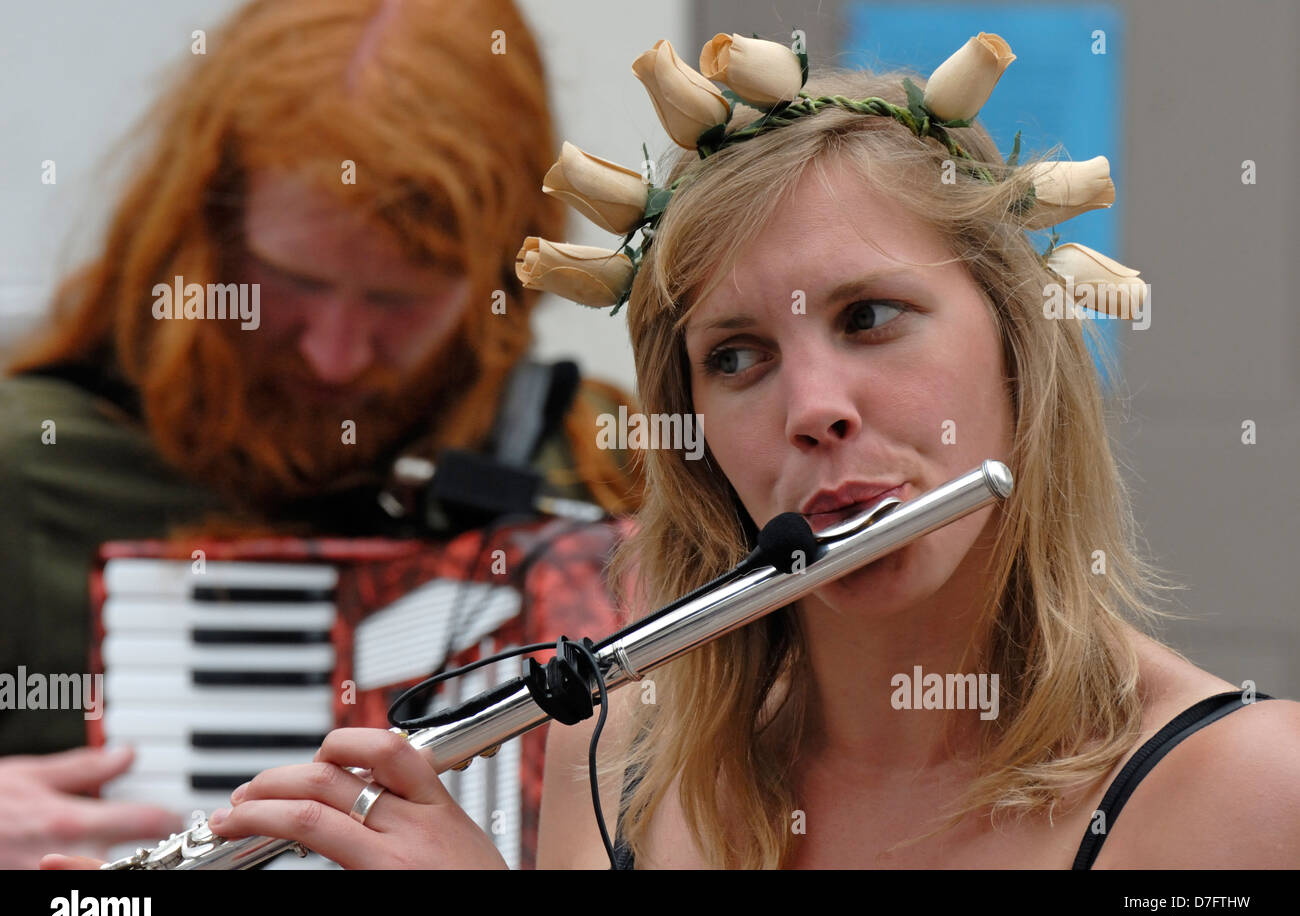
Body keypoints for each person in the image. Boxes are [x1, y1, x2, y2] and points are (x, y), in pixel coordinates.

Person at [44, 29, 1300, 871]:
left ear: (1020, 358)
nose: (813, 406)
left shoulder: (1240, 794)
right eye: (738, 356)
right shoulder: (618, 758)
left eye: (871, 319)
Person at [4, 0, 642, 870]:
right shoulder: (29, 468)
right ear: (206, 229)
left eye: (398, 300)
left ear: (503, 266)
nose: (334, 355)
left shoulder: (613, 474)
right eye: (292, 279)